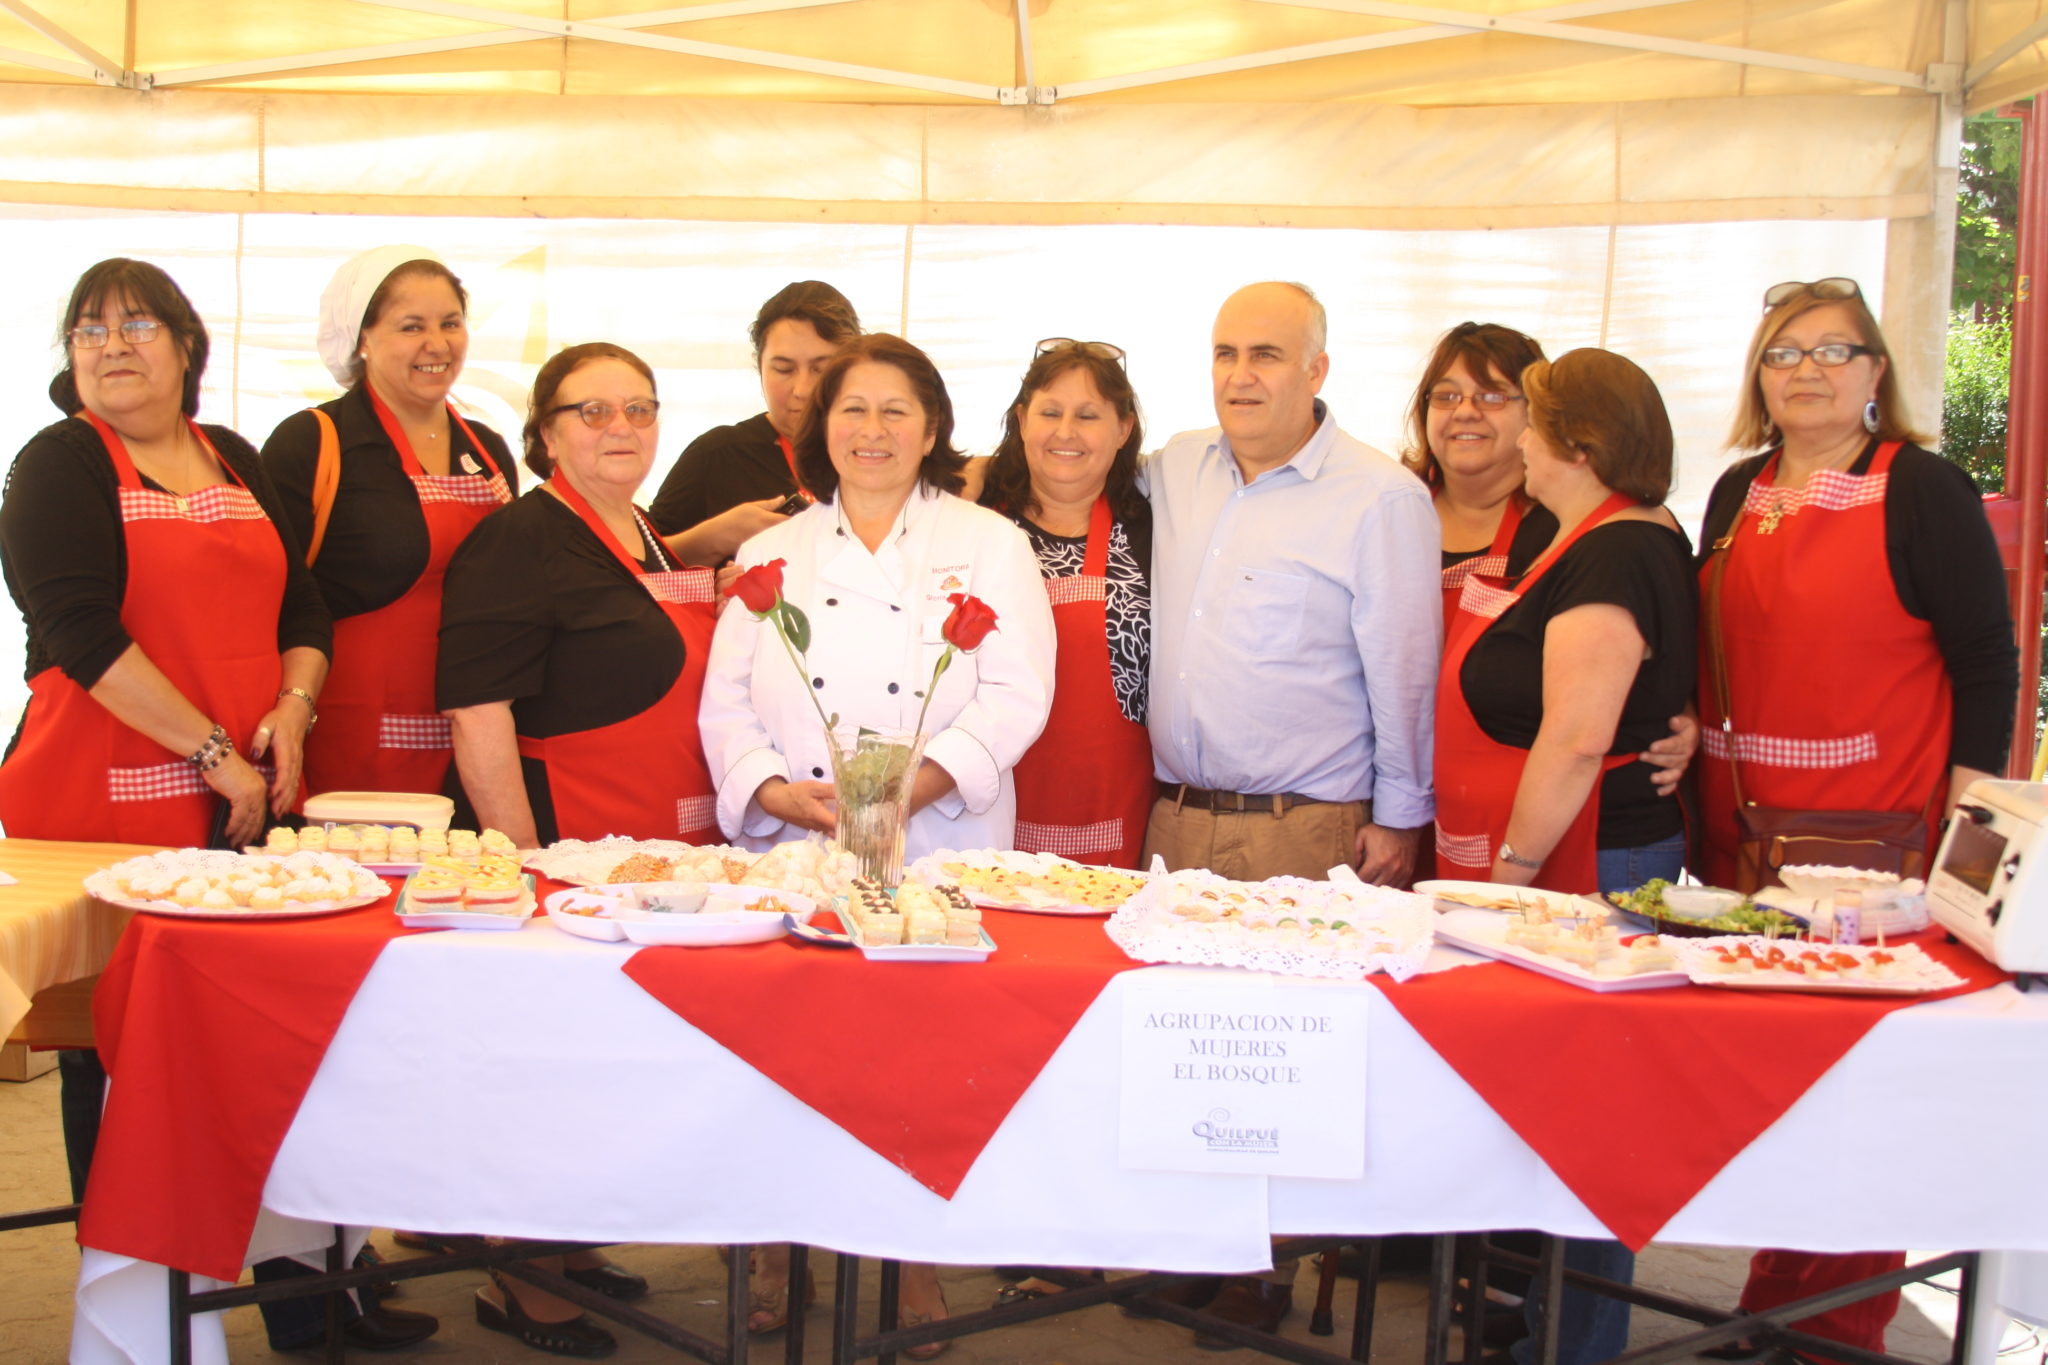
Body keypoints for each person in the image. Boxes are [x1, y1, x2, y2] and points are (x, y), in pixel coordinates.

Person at [0, 259, 440, 1354]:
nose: (113, 345)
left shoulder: (233, 457)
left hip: (247, 794)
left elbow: (303, 596)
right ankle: (139, 1302)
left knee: (270, 1035)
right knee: (123, 1044)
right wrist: (210, 751)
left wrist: (291, 710)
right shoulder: (56, 465)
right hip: (105, 800)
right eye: (90, 329)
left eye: (138, 324)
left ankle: (299, 1290)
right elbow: (82, 632)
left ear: (185, 347)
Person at [701, 333, 1055, 1354]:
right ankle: (771, 1250)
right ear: (822, 429)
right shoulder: (771, 555)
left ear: (932, 427)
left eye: (894, 410)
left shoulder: (989, 542)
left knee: (925, 1061)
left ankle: (917, 1266)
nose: (871, 430)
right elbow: (724, 710)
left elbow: (1019, 693)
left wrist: (914, 786)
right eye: (851, 409)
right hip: (801, 841)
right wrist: (777, 791)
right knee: (785, 1050)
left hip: (937, 838)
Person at [1697, 277, 2017, 1362]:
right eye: (1783, 352)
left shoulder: (1921, 487)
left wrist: (1963, 829)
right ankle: (1766, 1301)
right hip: (1737, 839)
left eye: (1832, 352)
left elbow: (1985, 664)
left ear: (1875, 374)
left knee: (1861, 1089)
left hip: (1872, 848)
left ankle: (1834, 1330)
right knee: (1766, 1086)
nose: (1805, 371)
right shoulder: (1735, 489)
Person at [1141, 281, 1439, 1345]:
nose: (1240, 375)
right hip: (1174, 823)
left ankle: (1262, 1273)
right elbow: (1053, 457)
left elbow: (1402, 667)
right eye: (1223, 351)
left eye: (1266, 354)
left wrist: (1398, 818)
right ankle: (1193, 1252)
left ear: (1318, 370)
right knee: (1179, 1052)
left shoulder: (1379, 497)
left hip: (1301, 826)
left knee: (1280, 1061)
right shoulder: (1174, 465)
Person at [1432, 347, 1697, 1365]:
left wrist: (1505, 877)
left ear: (1577, 444)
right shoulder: (1578, 535)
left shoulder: (1615, 552)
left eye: (1530, 421)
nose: (1516, 440)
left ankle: (1575, 1345)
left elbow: (1577, 735)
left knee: (1587, 1127)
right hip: (1567, 853)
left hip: (1588, 865)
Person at [440, 341, 724, 851]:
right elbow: (477, 713)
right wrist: (522, 862)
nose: (622, 426)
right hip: (570, 840)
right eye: (593, 412)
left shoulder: (645, 530)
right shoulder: (517, 539)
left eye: (639, 410)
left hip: (667, 834)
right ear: (548, 435)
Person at [262, 245, 517, 799]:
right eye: (411, 326)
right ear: (362, 339)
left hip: (474, 729)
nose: (437, 344)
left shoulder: (489, 448)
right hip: (349, 733)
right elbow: (270, 596)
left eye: (451, 323)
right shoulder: (312, 442)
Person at [980, 337, 1153, 868]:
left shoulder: (1154, 528)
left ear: (1123, 429)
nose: (1065, 432)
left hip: (1118, 818)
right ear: (1021, 420)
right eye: (1049, 412)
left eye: (1088, 416)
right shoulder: (974, 527)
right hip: (987, 811)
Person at [647, 279, 862, 563]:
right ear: (759, 366)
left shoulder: (881, 452)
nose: (803, 390)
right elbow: (639, 563)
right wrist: (713, 539)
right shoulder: (717, 454)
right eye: (784, 369)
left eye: (820, 369)